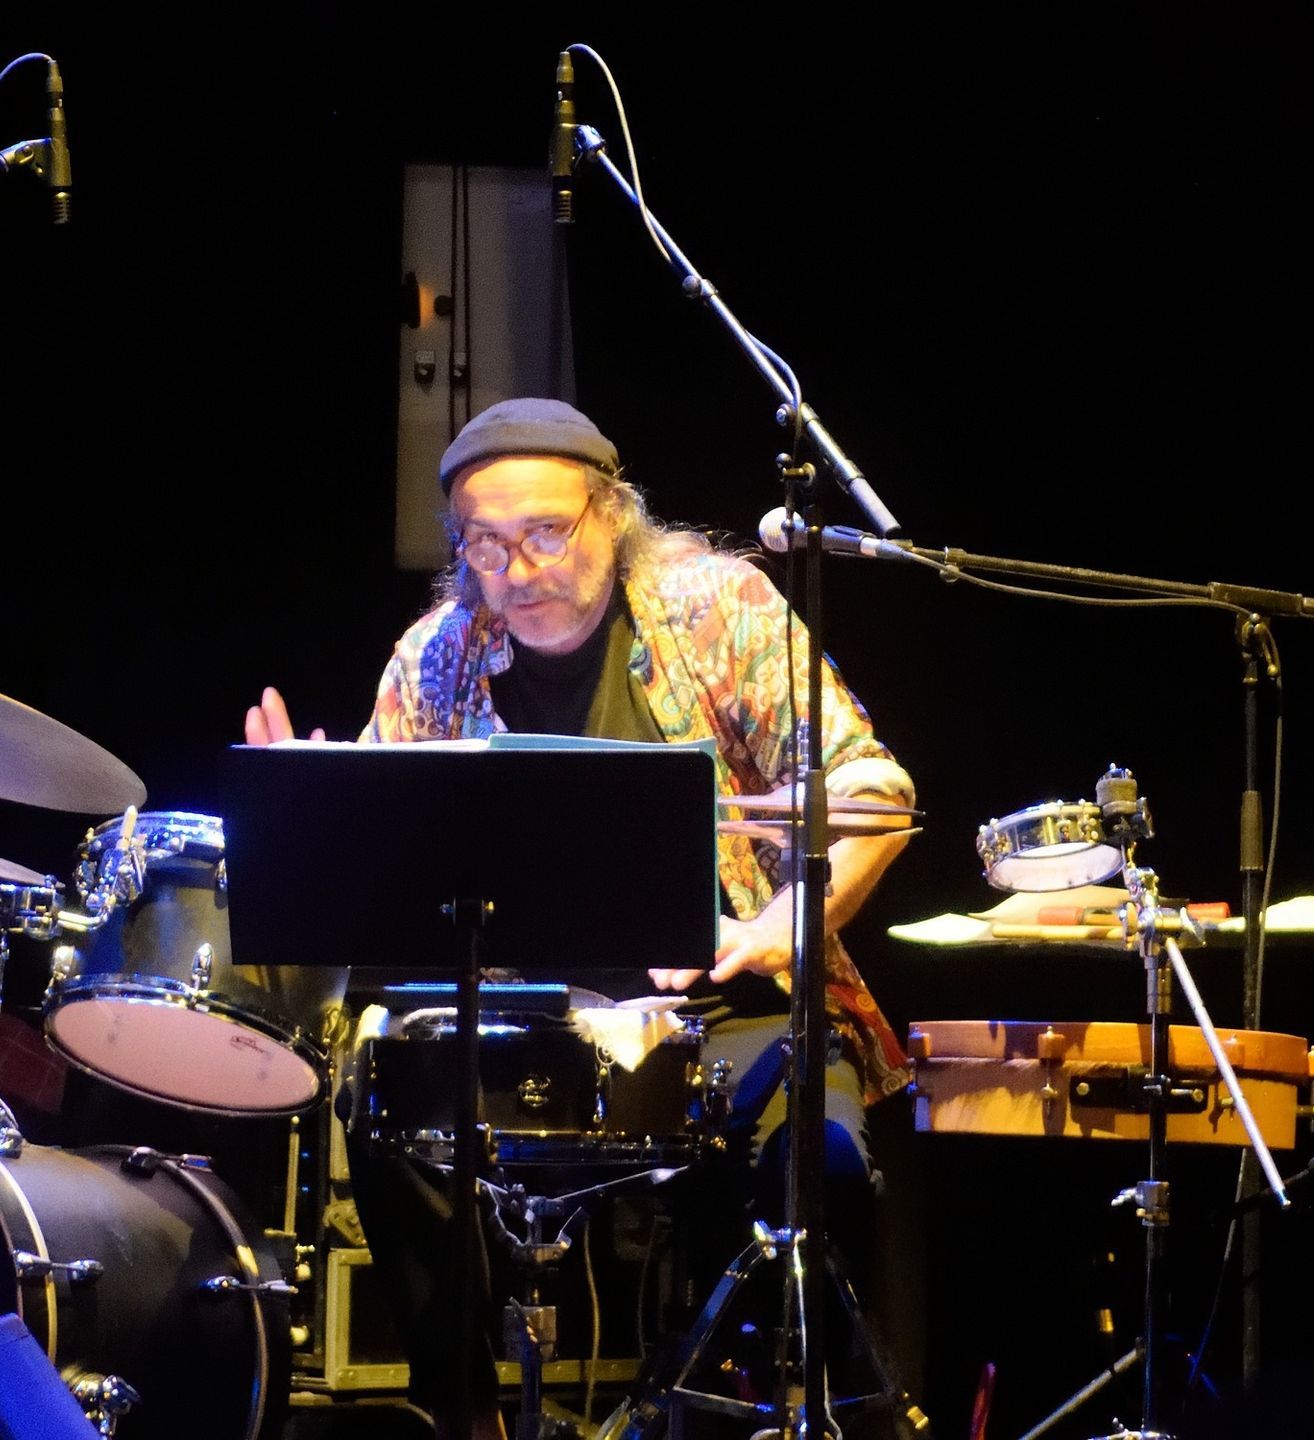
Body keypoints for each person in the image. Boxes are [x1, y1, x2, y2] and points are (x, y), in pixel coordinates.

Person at [246, 398, 915, 1437]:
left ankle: (741, 1416)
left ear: (612, 514)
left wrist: (776, 926)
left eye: (546, 533)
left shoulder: (718, 609)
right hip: (523, 1016)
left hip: (722, 1002)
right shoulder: (435, 655)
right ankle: (466, 1415)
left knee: (817, 1159)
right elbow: (383, 880)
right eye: (485, 544)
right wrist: (315, 808)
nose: (517, 570)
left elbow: (874, 792)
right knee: (386, 1100)